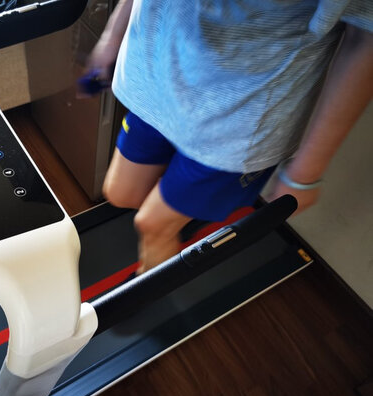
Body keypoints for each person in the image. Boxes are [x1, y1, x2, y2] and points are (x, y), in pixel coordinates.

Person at [81, 0, 373, 274]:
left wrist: (304, 176)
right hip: (152, 76)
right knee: (121, 193)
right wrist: (112, 35)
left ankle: (154, 275)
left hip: (237, 121)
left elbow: (366, 36)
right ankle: (182, 208)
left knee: (152, 225)